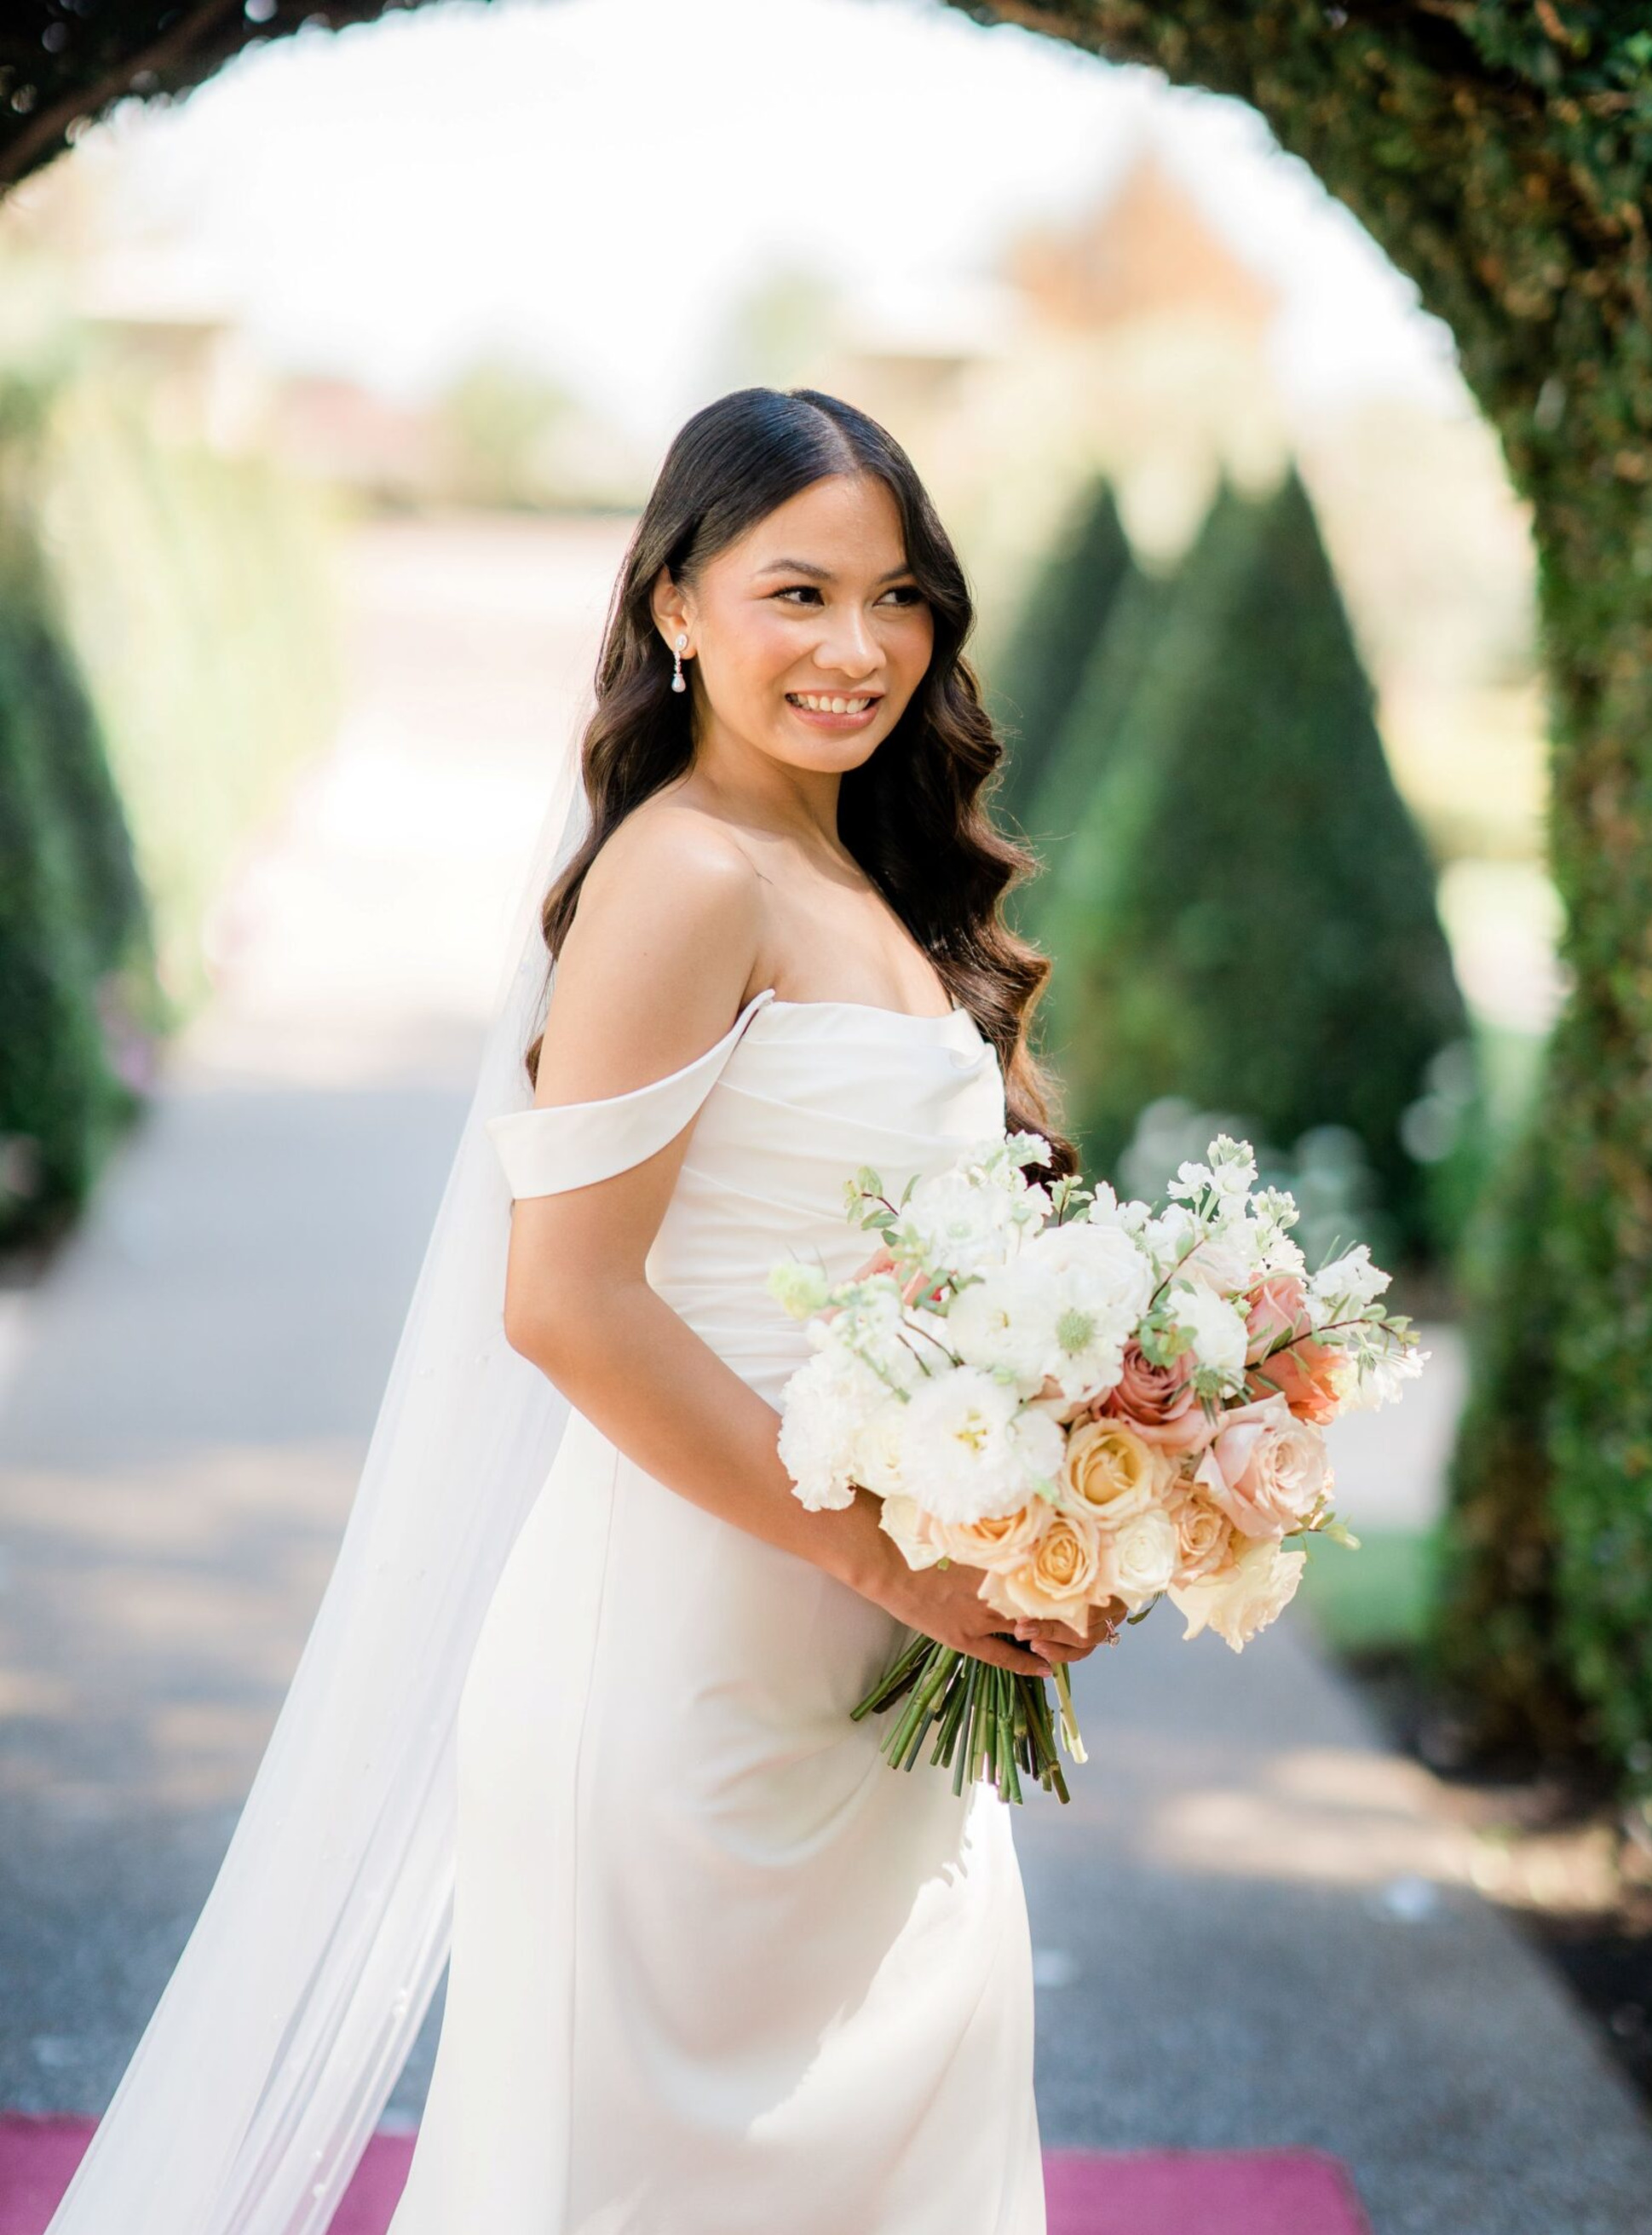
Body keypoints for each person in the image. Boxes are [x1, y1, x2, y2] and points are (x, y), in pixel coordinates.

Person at [385, 385, 1125, 2232]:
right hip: (686, 1675)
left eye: (897, 598)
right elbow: (566, 1306)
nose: (857, 648)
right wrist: (902, 1562)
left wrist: (1079, 1480)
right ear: (674, 605)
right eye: (796, 592)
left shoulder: (866, 879)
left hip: (876, 1684)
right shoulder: (683, 872)